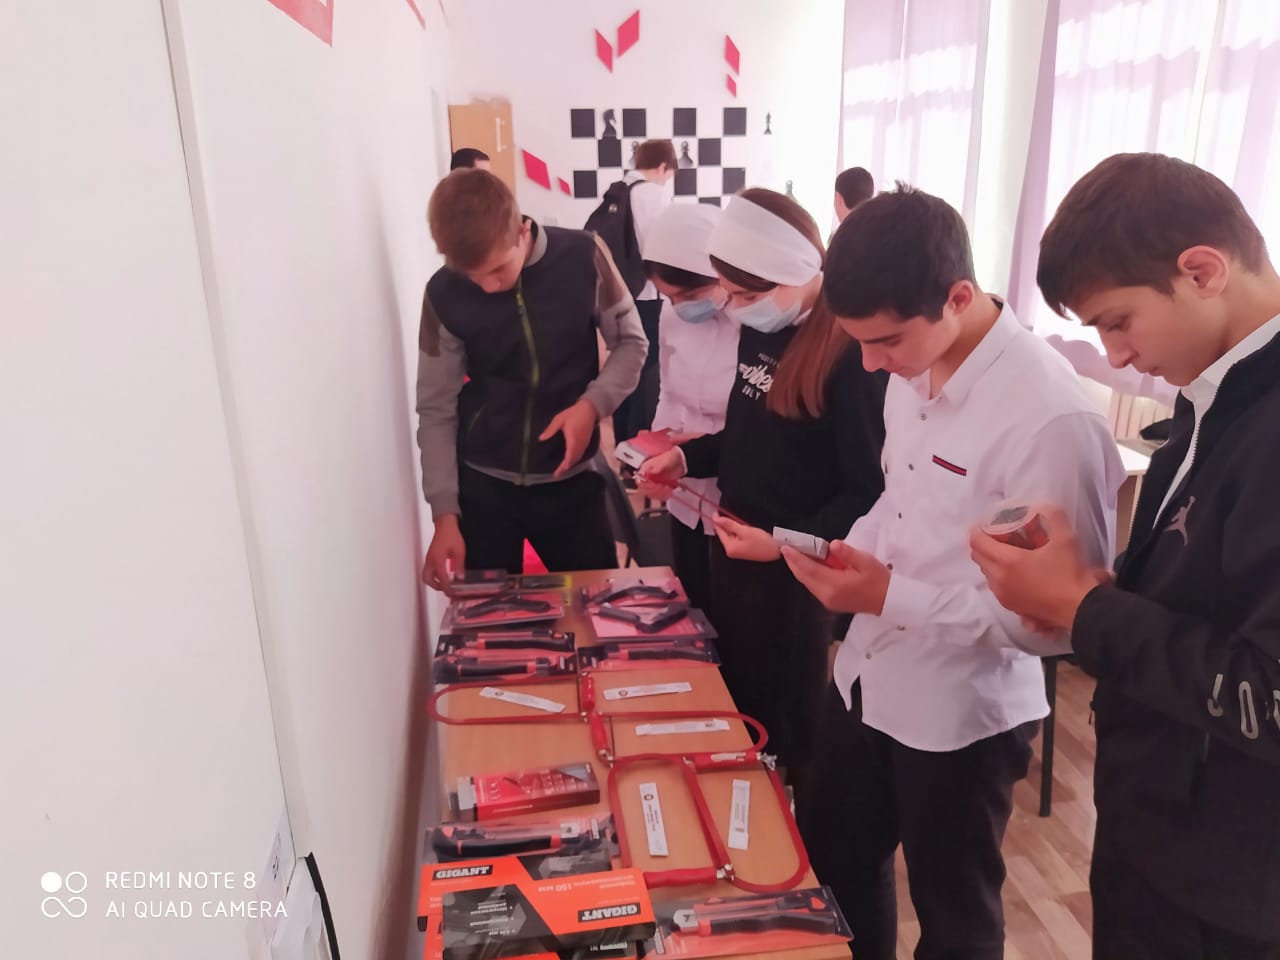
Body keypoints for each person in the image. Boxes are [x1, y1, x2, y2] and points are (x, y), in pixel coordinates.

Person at [784, 184, 1123, 960]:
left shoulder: (1048, 418)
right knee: (836, 870)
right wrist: (850, 551)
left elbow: (1055, 622)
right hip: (865, 677)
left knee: (955, 920)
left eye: (886, 342)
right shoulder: (909, 370)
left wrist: (889, 595)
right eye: (858, 342)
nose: (871, 363)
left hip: (961, 716)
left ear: (959, 298)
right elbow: (897, 498)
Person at [971, 153, 1280, 960]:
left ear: (1202, 271)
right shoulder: (1214, 393)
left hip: (1228, 884)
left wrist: (1086, 607)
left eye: (1117, 322)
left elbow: (1269, 694)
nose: (1112, 357)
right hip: (1154, 827)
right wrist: (1088, 588)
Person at [638, 188, 887, 786]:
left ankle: (780, 821)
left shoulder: (850, 358)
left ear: (795, 273)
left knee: (784, 728)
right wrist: (685, 456)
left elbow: (866, 495)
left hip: (795, 573)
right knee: (734, 697)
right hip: (738, 546)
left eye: (746, 295)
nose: (736, 308)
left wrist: (781, 545)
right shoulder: (763, 327)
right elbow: (748, 434)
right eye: (729, 292)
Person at [416, 169, 647, 587]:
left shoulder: (584, 255)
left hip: (571, 484)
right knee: (484, 618)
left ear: (522, 230)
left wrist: (590, 406)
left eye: (498, 270)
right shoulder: (443, 293)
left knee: (594, 611)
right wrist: (444, 516)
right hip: (482, 489)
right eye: (473, 277)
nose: (487, 288)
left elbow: (632, 343)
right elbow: (436, 408)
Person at [637, 204, 739, 612]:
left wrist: (697, 450)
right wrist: (655, 453)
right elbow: (668, 389)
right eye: (669, 296)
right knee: (692, 601)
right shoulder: (673, 314)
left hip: (738, 492)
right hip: (684, 491)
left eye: (688, 295)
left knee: (734, 613)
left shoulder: (754, 323)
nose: (678, 305)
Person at [610, 139, 677, 443]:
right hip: (647, 295)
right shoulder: (653, 194)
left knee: (623, 364)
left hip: (618, 294)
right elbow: (662, 249)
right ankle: (638, 444)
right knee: (647, 371)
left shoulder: (620, 189)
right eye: (669, 174)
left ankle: (623, 441)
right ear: (663, 167)